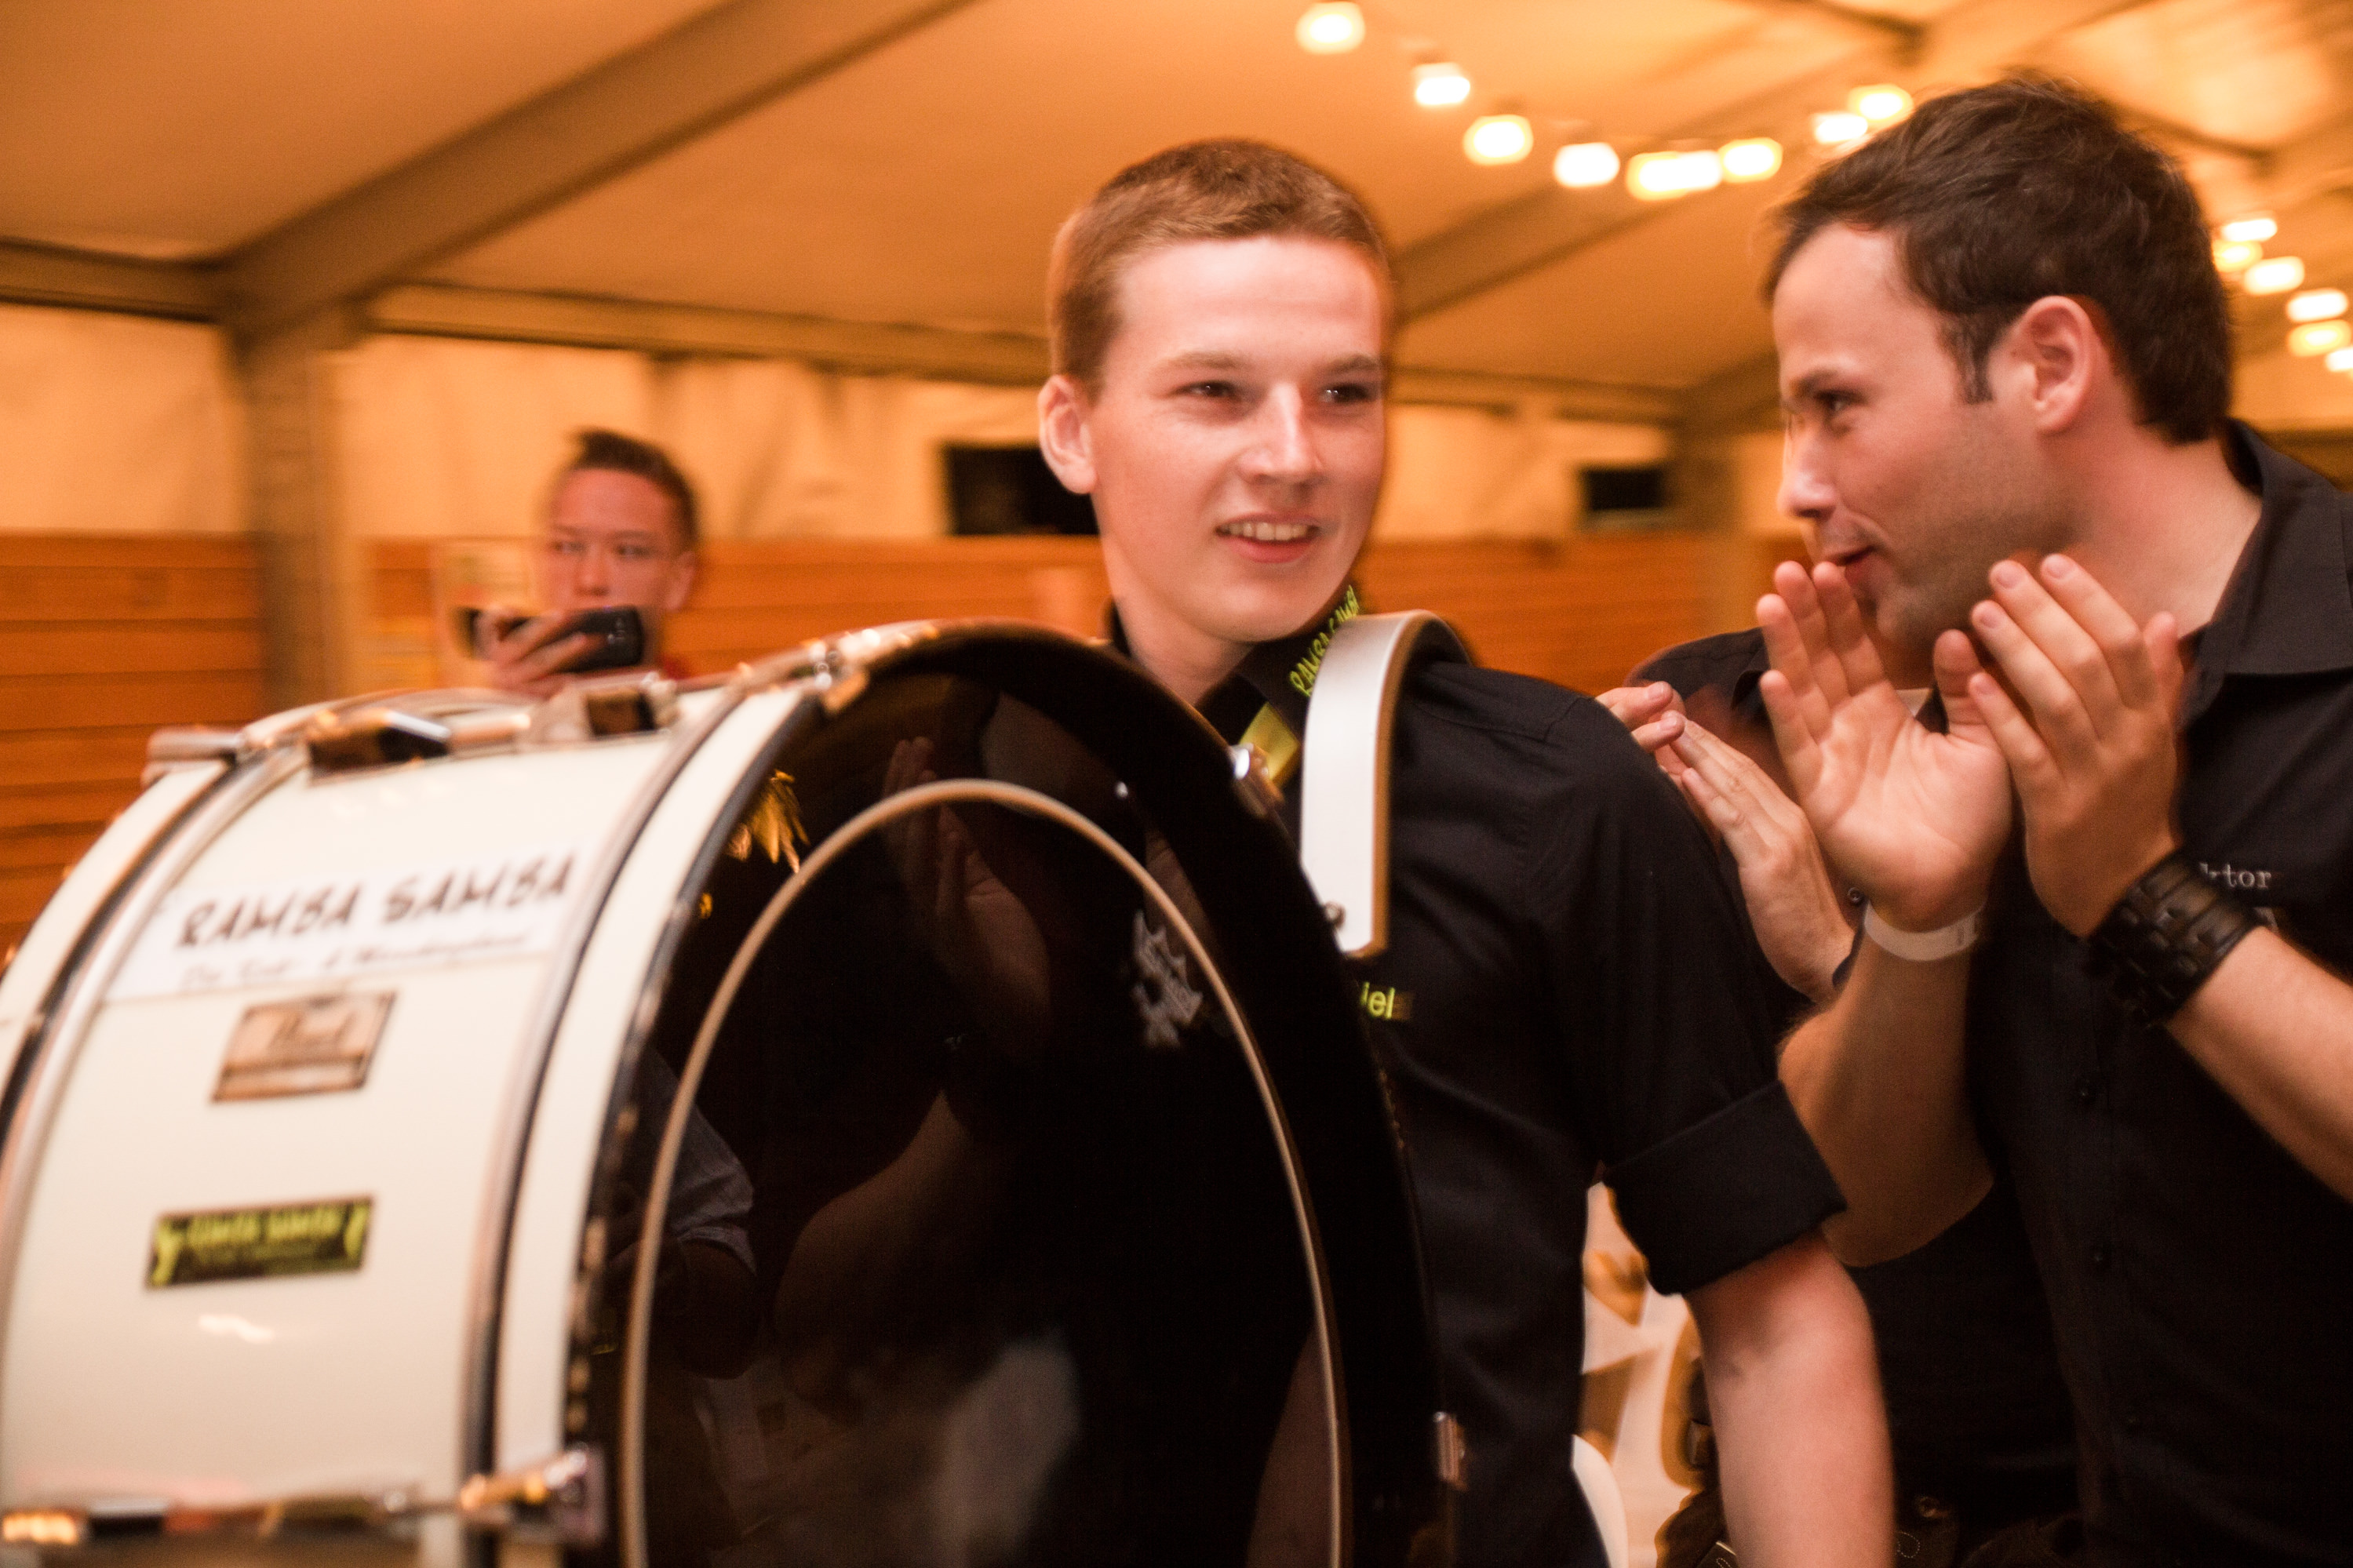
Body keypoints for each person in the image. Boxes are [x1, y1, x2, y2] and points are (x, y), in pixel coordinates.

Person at [1033, 137, 1890, 1567]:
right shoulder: (978, 801)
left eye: (1344, 393)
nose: (1292, 455)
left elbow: (1775, 1324)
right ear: (1071, 430)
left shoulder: (1552, 793)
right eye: (1214, 392)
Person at [1752, 75, 2353, 1564]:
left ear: (2046, 362)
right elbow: (1859, 1214)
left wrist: (2140, 895)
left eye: (1834, 405)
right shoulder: (1953, 696)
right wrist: (1918, 918)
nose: (1792, 482)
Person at [1608, 620, 2077, 1564]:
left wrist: (1843, 956)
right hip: (1754, 1495)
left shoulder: (2071, 718)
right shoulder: (1694, 704)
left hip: (2031, 1513)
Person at [482, 428, 701, 693]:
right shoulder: (503, 708)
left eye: (628, 551)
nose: (590, 580)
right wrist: (503, 708)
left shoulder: (707, 713)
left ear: (679, 581)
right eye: (567, 547)